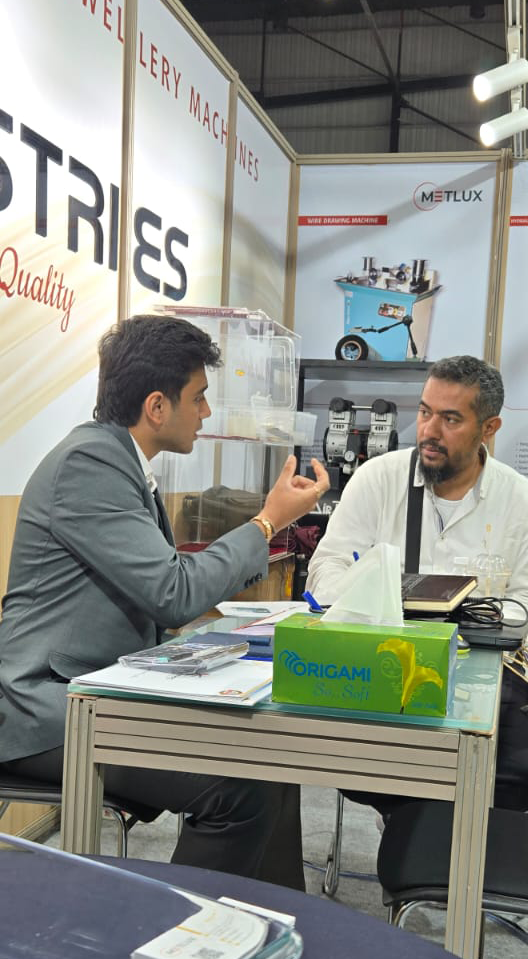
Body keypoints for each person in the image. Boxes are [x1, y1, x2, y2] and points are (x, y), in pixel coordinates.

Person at [0, 315, 329, 883]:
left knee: (271, 754)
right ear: (157, 406)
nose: (206, 412)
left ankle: (266, 921)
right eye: (198, 398)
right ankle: (179, 931)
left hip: (100, 689)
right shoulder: (89, 464)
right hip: (45, 710)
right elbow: (173, 593)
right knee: (239, 790)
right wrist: (267, 521)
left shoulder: (118, 461)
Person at [307, 354, 528, 811]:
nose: (429, 431)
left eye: (450, 419)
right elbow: (325, 573)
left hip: (486, 675)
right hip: (386, 666)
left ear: (489, 428)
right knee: (370, 766)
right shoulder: (377, 480)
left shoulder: (522, 501)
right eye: (424, 412)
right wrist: (385, 597)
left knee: (524, 774)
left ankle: (427, 841)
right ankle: (424, 842)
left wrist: (465, 619)